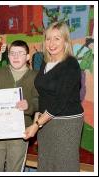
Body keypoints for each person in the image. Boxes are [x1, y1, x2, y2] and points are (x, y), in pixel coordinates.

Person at [24, 21, 84, 172]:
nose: (51, 43)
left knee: (64, 165)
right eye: (48, 38)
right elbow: (44, 94)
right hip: (46, 120)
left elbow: (59, 102)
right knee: (46, 163)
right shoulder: (46, 62)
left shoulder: (71, 65)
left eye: (57, 38)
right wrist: (38, 115)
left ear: (65, 41)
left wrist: (37, 125)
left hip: (66, 122)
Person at [0, 40, 39, 172]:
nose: (16, 57)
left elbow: (41, 101)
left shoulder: (35, 76)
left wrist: (29, 104)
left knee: (14, 168)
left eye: (20, 53)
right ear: (8, 56)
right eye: (12, 53)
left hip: (20, 131)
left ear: (27, 57)